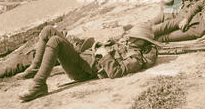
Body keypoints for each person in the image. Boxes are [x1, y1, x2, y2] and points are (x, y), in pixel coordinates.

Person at [18, 24, 160, 102]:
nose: (129, 39)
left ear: (143, 42)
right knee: (48, 30)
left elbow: (116, 72)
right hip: (82, 57)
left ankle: (39, 85)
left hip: (82, 69)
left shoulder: (135, 58)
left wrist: (104, 54)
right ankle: (35, 67)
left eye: (134, 38)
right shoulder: (127, 44)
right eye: (130, 36)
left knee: (55, 41)